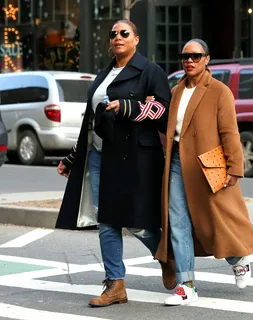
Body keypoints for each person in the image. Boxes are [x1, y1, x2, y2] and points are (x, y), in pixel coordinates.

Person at [56, 19, 176, 307]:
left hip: (135, 157)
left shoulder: (150, 71)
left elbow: (163, 110)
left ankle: (165, 254)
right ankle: (116, 285)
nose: (118, 37)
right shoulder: (103, 74)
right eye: (113, 34)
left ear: (136, 39)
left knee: (136, 220)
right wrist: (74, 156)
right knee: (107, 220)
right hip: (101, 156)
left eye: (124, 33)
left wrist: (129, 107)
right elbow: (93, 121)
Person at [155, 39, 253, 306]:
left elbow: (229, 132)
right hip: (178, 163)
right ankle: (186, 285)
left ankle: (238, 259)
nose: (189, 60)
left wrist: (234, 167)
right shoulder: (177, 90)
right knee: (178, 222)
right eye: (185, 56)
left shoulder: (219, 91)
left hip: (208, 165)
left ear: (207, 59)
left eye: (195, 56)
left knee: (213, 221)